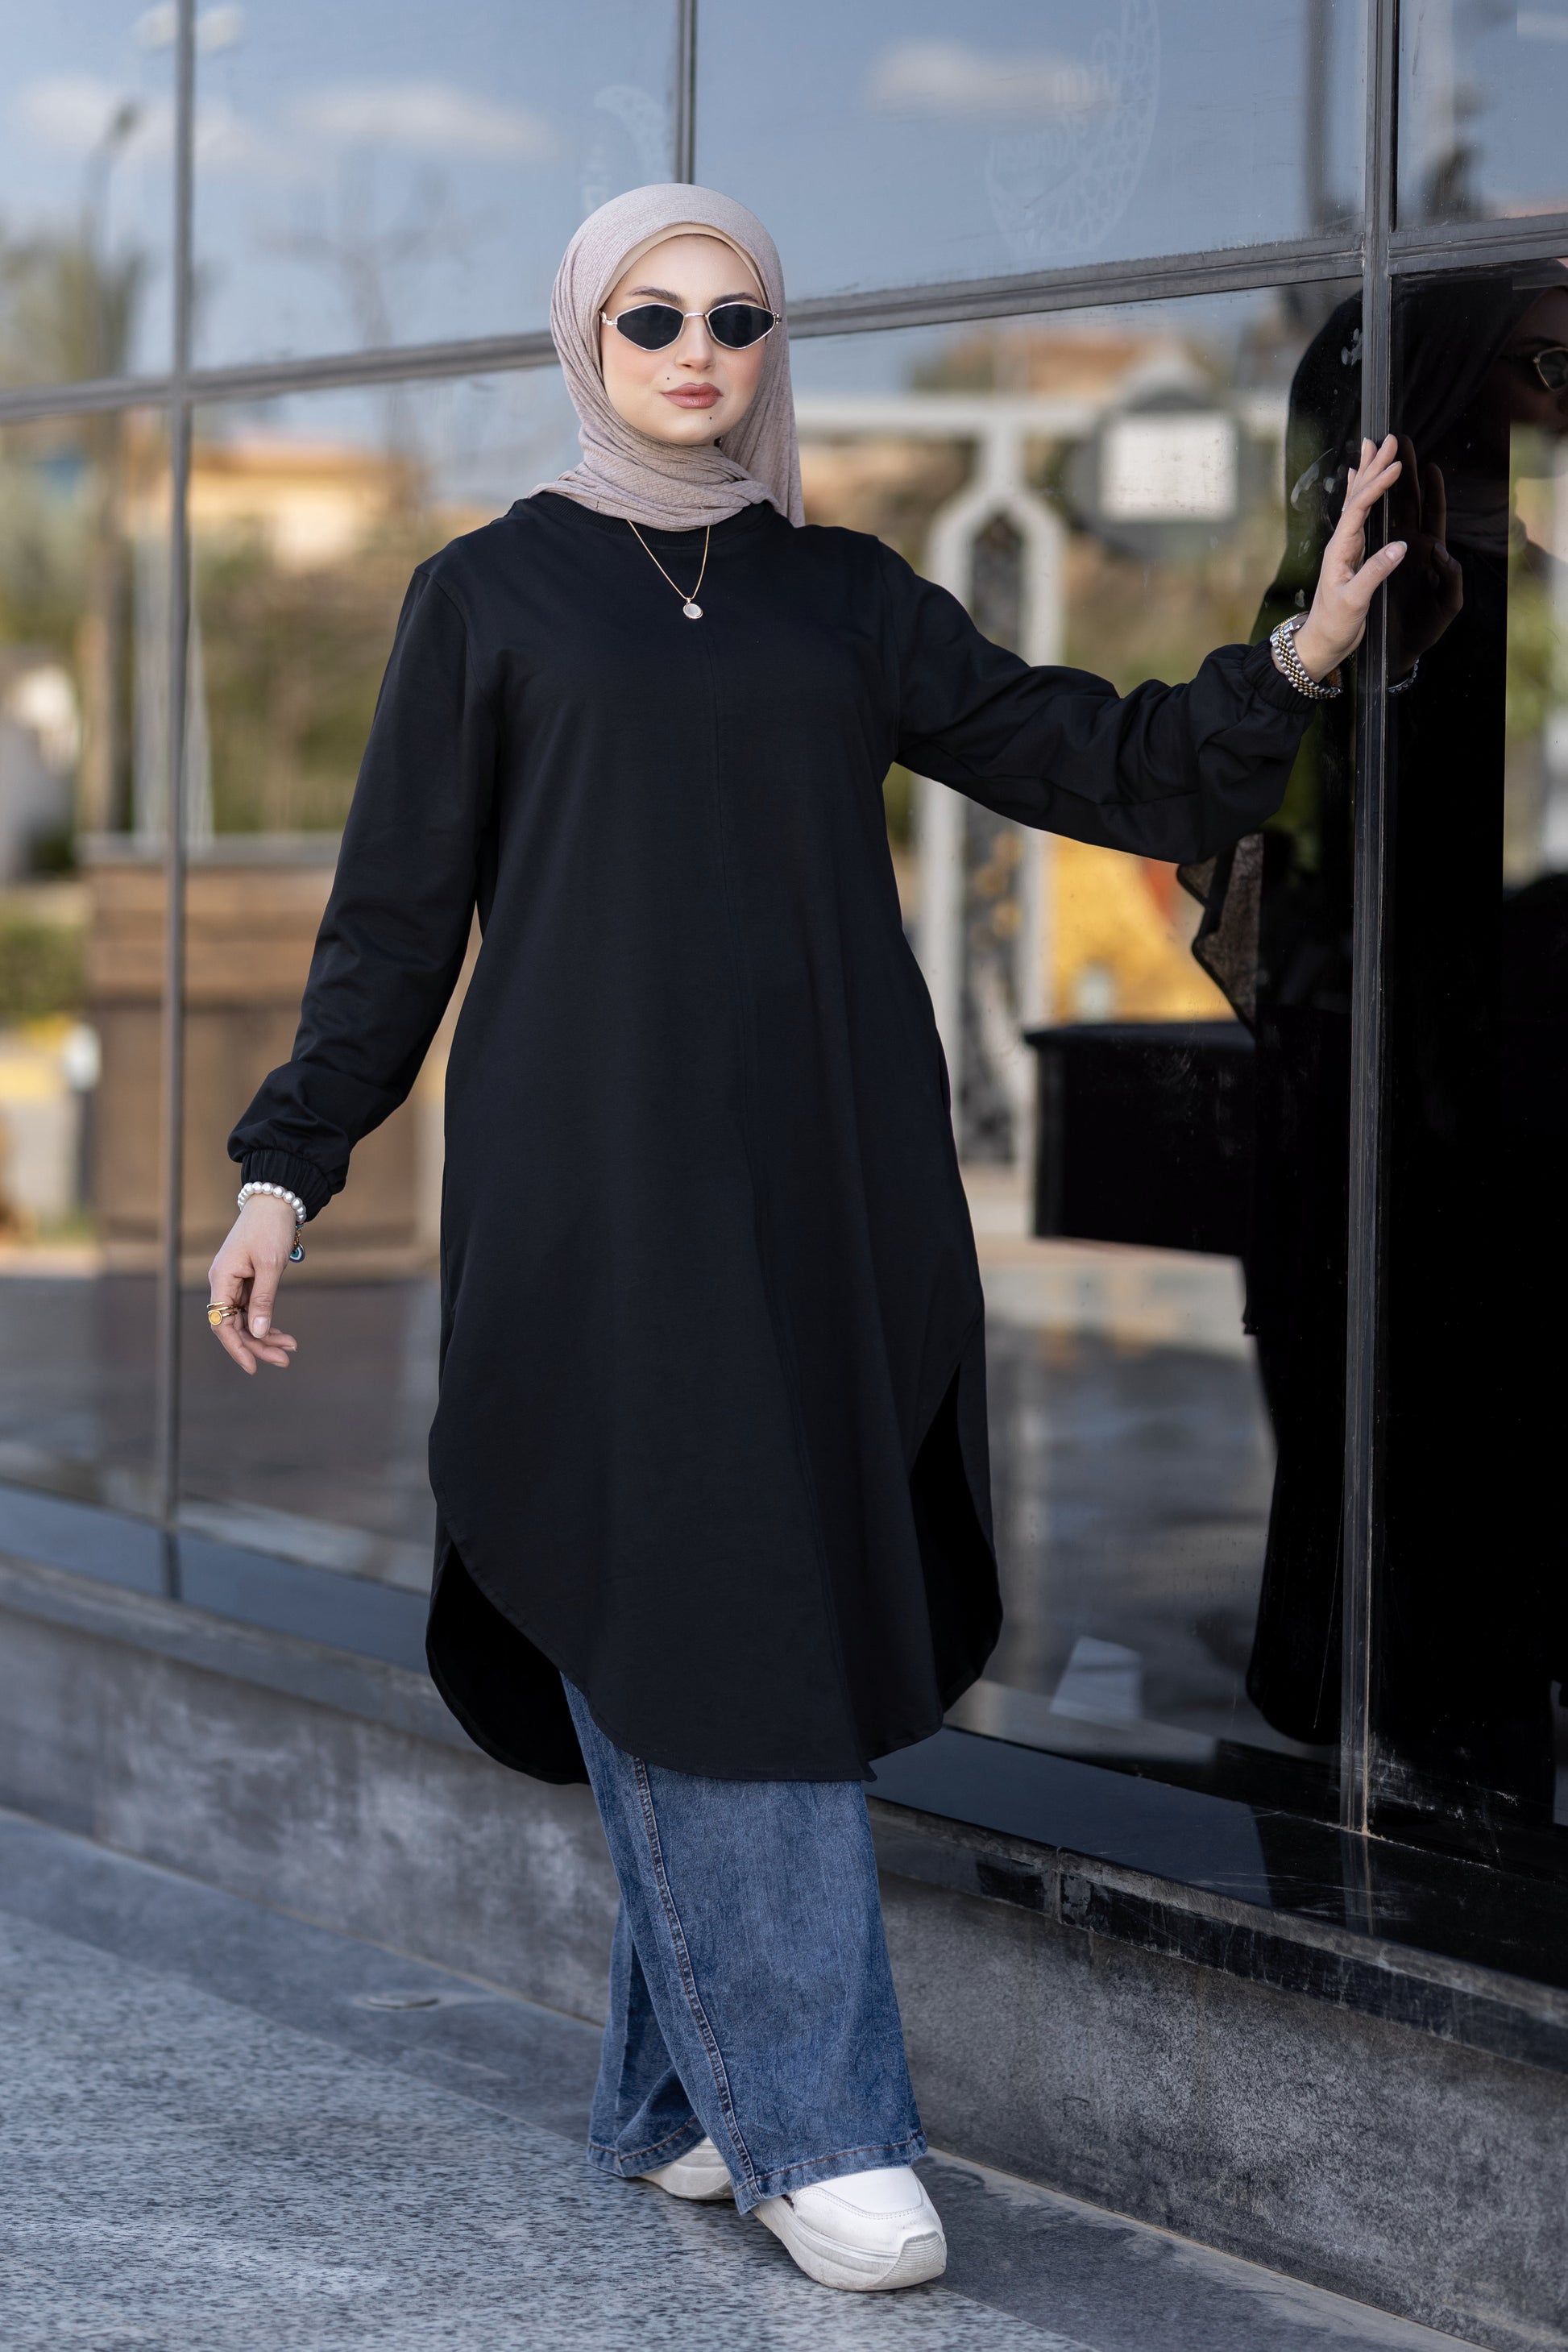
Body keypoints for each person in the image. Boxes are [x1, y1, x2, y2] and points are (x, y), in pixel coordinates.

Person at [209, 185, 1405, 2293]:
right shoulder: (484, 596)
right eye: (652, 316)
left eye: (736, 317)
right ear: (586, 339)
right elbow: (391, 930)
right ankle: (820, 2128)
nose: (698, 351)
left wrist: (1297, 656)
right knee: (710, 1593)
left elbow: (1095, 755)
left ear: (772, 346)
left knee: (732, 1587)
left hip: (824, 1188)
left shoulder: (844, 597)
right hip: (593, 1202)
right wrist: (283, 1173)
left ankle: (680, 2102)